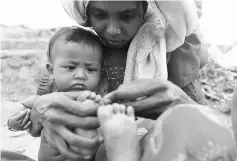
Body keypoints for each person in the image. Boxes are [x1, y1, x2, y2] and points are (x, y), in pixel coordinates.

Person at [3, 1, 215, 161]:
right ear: (85, 13)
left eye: (128, 15)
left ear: (144, 10)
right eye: (99, 14)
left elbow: (202, 120)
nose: (113, 30)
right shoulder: (80, 53)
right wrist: (29, 115)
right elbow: (33, 108)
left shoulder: (166, 54)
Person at [6, 26, 105, 161]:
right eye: (70, 67)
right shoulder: (44, 101)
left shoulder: (96, 102)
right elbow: (21, 107)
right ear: (51, 71)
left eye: (91, 69)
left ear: (100, 73)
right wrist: (14, 123)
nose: (81, 75)